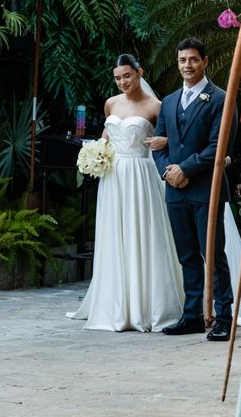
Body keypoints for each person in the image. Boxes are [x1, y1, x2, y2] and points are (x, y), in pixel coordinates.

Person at [66, 54, 185, 332]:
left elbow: (173, 139)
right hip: (113, 178)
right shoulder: (111, 104)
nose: (123, 82)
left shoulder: (156, 106)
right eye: (118, 78)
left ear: (139, 73)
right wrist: (94, 154)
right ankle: (115, 302)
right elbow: (108, 137)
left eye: (127, 76)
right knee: (114, 235)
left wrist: (163, 141)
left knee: (143, 234)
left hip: (141, 175)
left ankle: (148, 304)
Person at [152, 36, 238, 341]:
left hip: (207, 189)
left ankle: (223, 316)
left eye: (192, 59)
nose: (187, 65)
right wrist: (168, 172)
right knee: (186, 255)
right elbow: (158, 144)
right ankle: (191, 316)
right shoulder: (169, 101)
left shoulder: (220, 100)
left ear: (205, 62)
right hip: (175, 191)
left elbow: (219, 146)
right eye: (182, 60)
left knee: (213, 254)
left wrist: (185, 170)